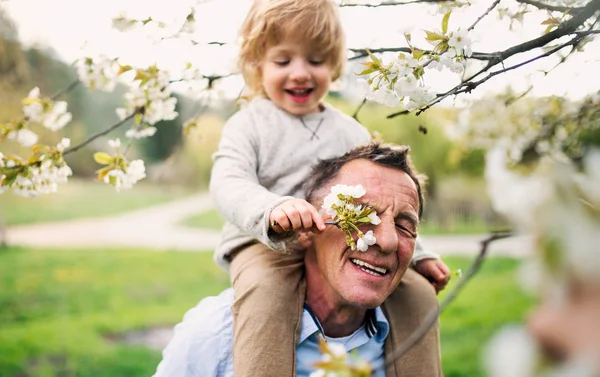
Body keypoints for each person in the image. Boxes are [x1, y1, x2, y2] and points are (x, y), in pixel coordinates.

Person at [209, 0, 451, 375]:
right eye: (283, 61)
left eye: (316, 61)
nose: (301, 74)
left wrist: (418, 253)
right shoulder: (249, 124)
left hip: (338, 239)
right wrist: (271, 211)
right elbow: (228, 182)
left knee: (417, 293)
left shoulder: (349, 131)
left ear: (334, 66)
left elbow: (383, 199)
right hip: (263, 244)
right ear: (258, 64)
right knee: (267, 298)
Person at [154, 143, 443, 377]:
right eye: (361, 216)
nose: (388, 240)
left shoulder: (413, 337)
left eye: (405, 225)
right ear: (305, 231)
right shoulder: (215, 333)